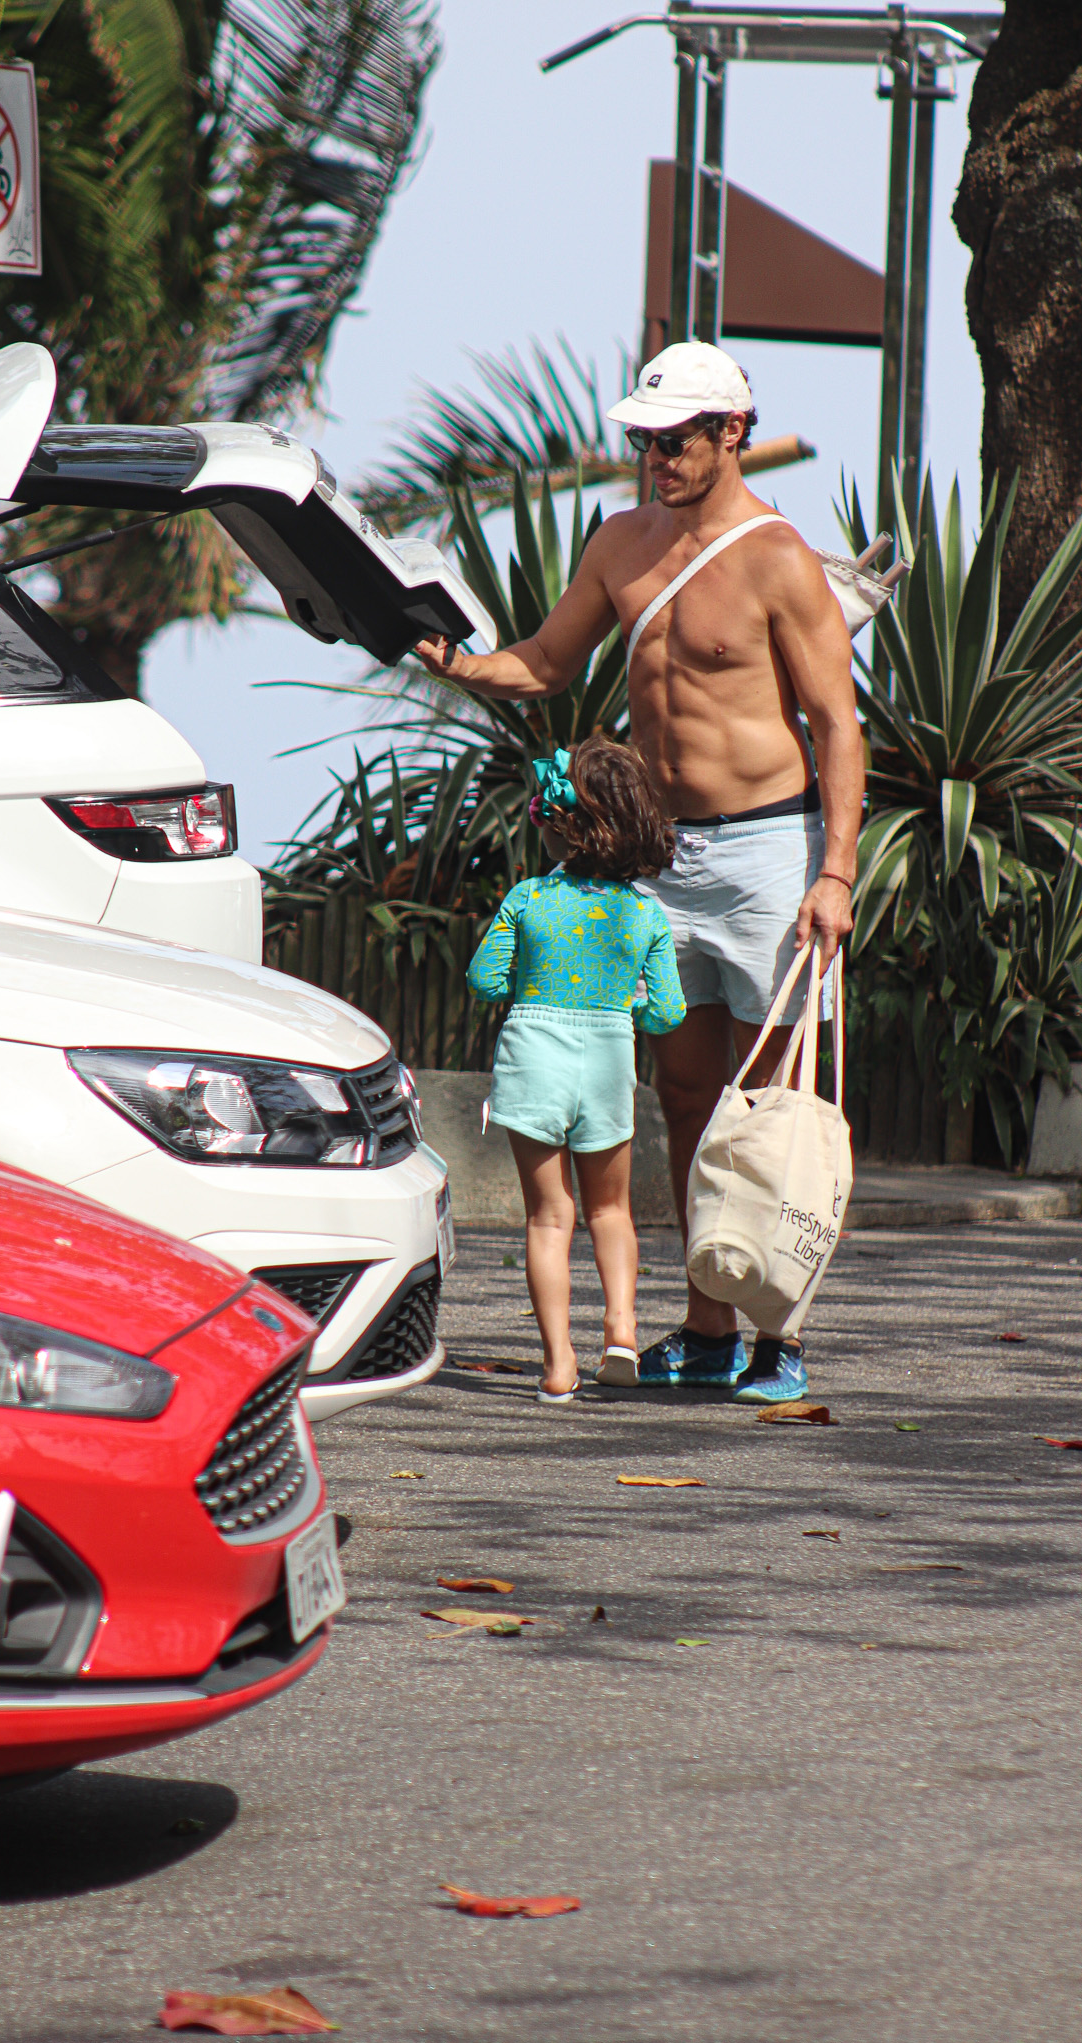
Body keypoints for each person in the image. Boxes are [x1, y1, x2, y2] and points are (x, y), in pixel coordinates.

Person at [419, 340, 864, 1407]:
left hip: (769, 850)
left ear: (732, 435)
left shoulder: (779, 559)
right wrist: (452, 661)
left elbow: (839, 726)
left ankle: (776, 1331)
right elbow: (542, 662)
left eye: (675, 440)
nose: (655, 457)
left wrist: (836, 871)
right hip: (659, 859)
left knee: (772, 1105)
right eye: (643, 440)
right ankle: (708, 1329)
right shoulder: (620, 543)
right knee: (681, 1090)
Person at [466, 733, 685, 1404]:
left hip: (533, 1052)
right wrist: (631, 1009)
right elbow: (667, 1014)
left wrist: (524, 985)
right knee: (610, 1209)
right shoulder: (644, 913)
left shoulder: (527, 900)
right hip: (607, 1055)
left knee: (548, 1217)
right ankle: (620, 1330)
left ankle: (558, 1363)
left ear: (558, 823)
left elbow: (483, 978)